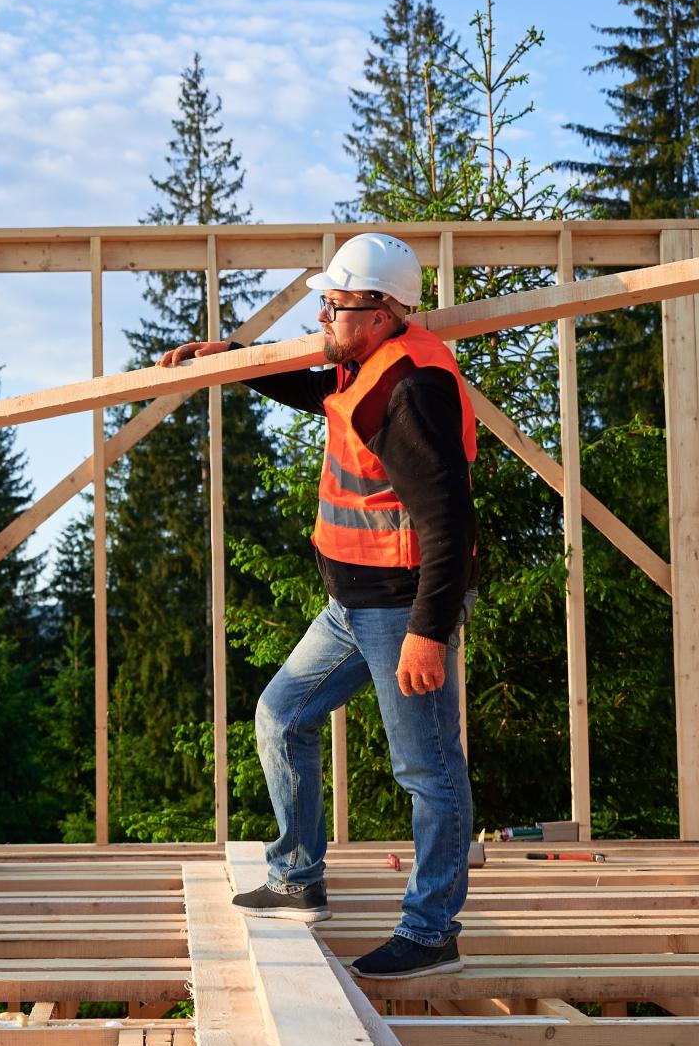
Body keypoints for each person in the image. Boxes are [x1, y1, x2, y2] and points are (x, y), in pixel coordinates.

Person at [156, 232, 475, 978]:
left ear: (383, 311)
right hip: (349, 605)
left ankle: (432, 931)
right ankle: (298, 878)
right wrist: (229, 358)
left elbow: (448, 521)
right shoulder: (362, 360)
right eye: (325, 301)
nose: (324, 313)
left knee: (427, 772)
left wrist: (428, 634)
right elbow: (313, 389)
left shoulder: (409, 391)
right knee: (281, 715)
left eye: (336, 303)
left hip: (400, 612)